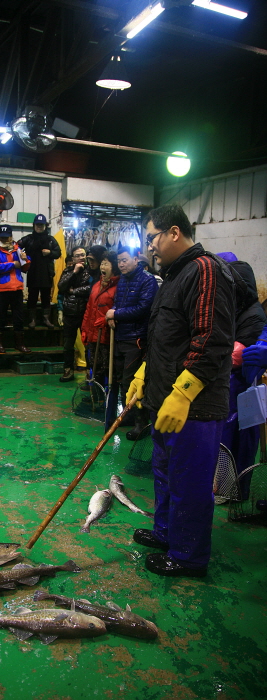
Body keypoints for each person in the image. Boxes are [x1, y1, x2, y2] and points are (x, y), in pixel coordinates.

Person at [128, 204, 236, 578]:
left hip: (193, 408)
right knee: (166, 473)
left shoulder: (205, 271)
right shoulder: (175, 275)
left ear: (174, 232)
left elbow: (212, 341)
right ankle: (167, 534)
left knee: (189, 481)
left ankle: (188, 557)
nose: (149, 248)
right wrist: (144, 373)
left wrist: (184, 393)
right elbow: (165, 338)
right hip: (164, 403)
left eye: (152, 238)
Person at [215, 252, 267, 499]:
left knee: (241, 440)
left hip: (244, 387)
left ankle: (235, 490)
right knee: (227, 438)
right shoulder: (236, 309)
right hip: (231, 384)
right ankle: (226, 487)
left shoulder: (253, 314)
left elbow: (236, 354)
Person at [105, 247, 158, 439]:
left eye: (125, 260)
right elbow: (120, 304)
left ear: (137, 260)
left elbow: (144, 308)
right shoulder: (123, 280)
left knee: (134, 381)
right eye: (119, 261)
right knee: (120, 380)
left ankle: (141, 422)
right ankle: (127, 415)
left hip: (137, 338)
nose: (121, 264)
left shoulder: (147, 280)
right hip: (120, 335)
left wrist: (116, 314)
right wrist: (113, 313)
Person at [81, 251, 120, 390]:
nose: (102, 267)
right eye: (102, 263)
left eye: (106, 264)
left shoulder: (119, 286)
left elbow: (119, 309)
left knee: (107, 367)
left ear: (114, 266)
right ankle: (95, 393)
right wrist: (85, 330)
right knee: (94, 364)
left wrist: (106, 319)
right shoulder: (97, 285)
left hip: (107, 336)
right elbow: (89, 309)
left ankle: (106, 395)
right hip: (93, 334)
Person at [0, 224, 31, 354]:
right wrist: (13, 264)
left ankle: (20, 344)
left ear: (11, 237)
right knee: (0, 317)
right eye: (2, 237)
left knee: (18, 318)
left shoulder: (18, 250)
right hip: (2, 289)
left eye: (7, 237)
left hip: (17, 288)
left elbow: (25, 268)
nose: (5, 240)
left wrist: (26, 260)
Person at [18, 214, 61, 329]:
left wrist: (50, 253)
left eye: (41, 225)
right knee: (32, 296)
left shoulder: (51, 240)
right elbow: (16, 246)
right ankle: (32, 320)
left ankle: (45, 319)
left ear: (45, 226)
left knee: (46, 297)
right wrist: (22, 255)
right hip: (33, 272)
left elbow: (58, 253)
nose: (39, 227)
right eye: (37, 225)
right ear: (34, 225)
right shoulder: (28, 239)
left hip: (46, 273)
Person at [57, 247, 90, 382]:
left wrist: (74, 291)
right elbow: (61, 286)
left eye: (83, 255)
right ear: (73, 258)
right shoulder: (68, 271)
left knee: (88, 345)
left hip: (85, 313)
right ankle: (68, 371)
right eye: (78, 255)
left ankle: (90, 372)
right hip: (70, 313)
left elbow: (91, 288)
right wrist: (74, 272)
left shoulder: (91, 271)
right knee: (68, 345)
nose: (81, 257)